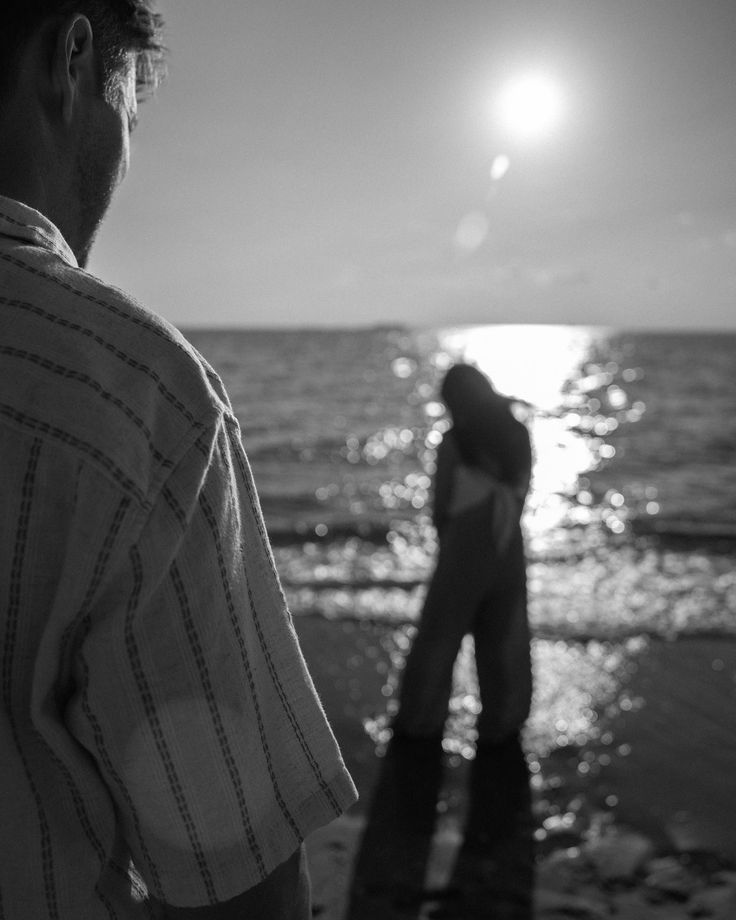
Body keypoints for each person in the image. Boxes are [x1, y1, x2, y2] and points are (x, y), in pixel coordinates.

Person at [0, 3, 356, 918]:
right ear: (71, 60)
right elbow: (245, 887)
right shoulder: (134, 396)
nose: (124, 156)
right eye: (130, 107)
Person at [393, 362, 533, 844]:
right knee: (504, 638)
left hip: (466, 544)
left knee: (439, 637)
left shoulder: (455, 441)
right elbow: (523, 494)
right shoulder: (516, 432)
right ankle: (502, 725)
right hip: (508, 544)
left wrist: (449, 542)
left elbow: (439, 506)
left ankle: (420, 722)